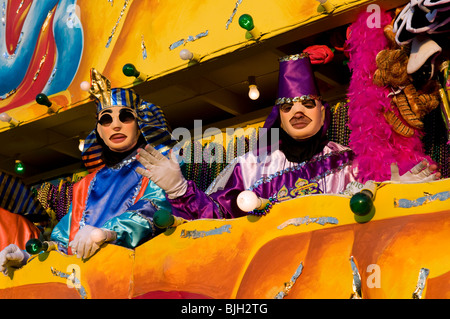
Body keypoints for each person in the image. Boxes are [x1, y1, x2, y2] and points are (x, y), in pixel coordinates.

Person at [136, 51, 441, 220]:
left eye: (308, 103)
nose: (298, 111)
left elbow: (378, 209)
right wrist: (178, 189)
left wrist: (399, 192)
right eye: (287, 105)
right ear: (279, 117)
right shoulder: (249, 166)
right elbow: (214, 216)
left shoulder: (353, 162)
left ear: (323, 112)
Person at [0, 68, 177, 275]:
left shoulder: (160, 164)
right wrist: (28, 258)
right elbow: (62, 241)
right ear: (99, 131)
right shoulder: (85, 184)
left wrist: (109, 232)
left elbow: (158, 208)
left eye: (126, 117)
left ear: (139, 125)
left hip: (141, 272)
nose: (116, 126)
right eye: (106, 119)